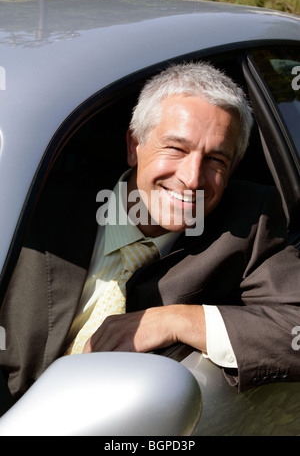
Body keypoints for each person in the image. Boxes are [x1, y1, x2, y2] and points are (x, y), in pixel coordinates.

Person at [1, 62, 300, 401]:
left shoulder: (249, 223)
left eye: (216, 159)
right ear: (134, 145)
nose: (192, 178)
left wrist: (176, 320)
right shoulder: (34, 203)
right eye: (176, 148)